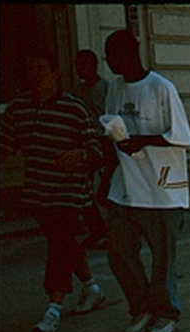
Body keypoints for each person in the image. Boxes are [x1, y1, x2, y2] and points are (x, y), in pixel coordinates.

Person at [0, 51, 107, 332]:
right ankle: (92, 287)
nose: (35, 74)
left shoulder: (74, 108)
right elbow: (4, 146)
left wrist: (79, 154)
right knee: (64, 243)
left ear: (55, 73)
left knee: (59, 245)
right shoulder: (18, 109)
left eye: (41, 68)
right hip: (38, 193)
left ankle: (53, 309)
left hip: (70, 193)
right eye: (30, 68)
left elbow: (96, 151)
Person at [102, 29, 190, 332]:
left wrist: (142, 141)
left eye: (112, 56)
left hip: (162, 190)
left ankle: (166, 312)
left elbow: (180, 136)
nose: (109, 63)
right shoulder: (114, 88)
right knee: (120, 254)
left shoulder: (161, 89)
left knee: (162, 258)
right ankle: (141, 307)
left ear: (129, 54)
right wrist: (106, 176)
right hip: (125, 187)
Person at [71, 49, 111, 250]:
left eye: (83, 65)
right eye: (77, 65)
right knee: (85, 192)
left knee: (103, 188)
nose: (80, 70)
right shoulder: (77, 93)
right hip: (85, 144)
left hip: (104, 142)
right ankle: (96, 230)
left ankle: (109, 230)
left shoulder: (106, 89)